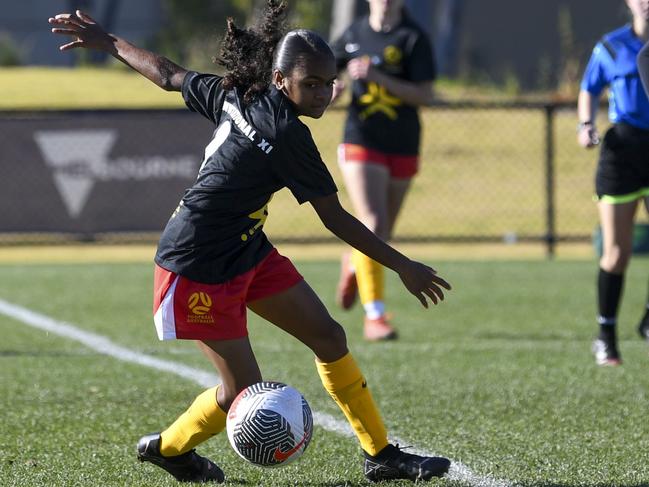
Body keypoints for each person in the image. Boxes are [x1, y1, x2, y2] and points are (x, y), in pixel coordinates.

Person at [49, 2, 452, 483]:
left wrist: (110, 42)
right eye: (313, 84)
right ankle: (170, 450)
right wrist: (404, 266)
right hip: (195, 264)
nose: (324, 93)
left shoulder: (236, 94)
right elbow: (335, 219)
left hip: (246, 248)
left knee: (329, 337)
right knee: (242, 389)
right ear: (281, 80)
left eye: (330, 83)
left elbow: (169, 75)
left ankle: (380, 455)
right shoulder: (286, 133)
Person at [330, 0, 436, 341]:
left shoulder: (412, 37)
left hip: (403, 144)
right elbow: (321, 75)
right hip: (361, 138)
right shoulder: (354, 33)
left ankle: (353, 261)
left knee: (381, 233)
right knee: (373, 222)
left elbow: (425, 94)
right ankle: (375, 315)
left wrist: (377, 77)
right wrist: (330, 90)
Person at [577, 0, 649, 366]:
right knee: (617, 252)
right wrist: (585, 125)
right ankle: (606, 335)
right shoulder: (611, 46)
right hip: (622, 149)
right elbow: (589, 88)